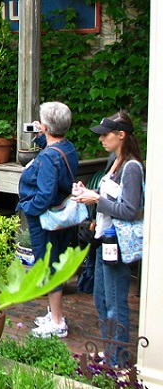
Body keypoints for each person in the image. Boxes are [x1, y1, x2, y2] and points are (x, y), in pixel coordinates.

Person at [72, 112, 144, 365]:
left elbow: (129, 210)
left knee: (115, 303)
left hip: (119, 246)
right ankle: (110, 352)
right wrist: (89, 195)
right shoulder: (114, 160)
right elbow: (111, 201)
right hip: (104, 240)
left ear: (121, 135)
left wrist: (97, 200)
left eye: (106, 134)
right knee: (101, 300)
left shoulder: (132, 167)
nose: (101, 139)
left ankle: (120, 361)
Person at [17, 101, 78, 338]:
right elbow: (54, 148)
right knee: (56, 261)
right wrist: (43, 136)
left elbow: (45, 194)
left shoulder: (48, 158)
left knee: (49, 264)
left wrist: (28, 207)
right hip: (60, 218)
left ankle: (57, 321)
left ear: (46, 125)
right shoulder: (67, 147)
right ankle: (53, 312)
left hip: (45, 219)